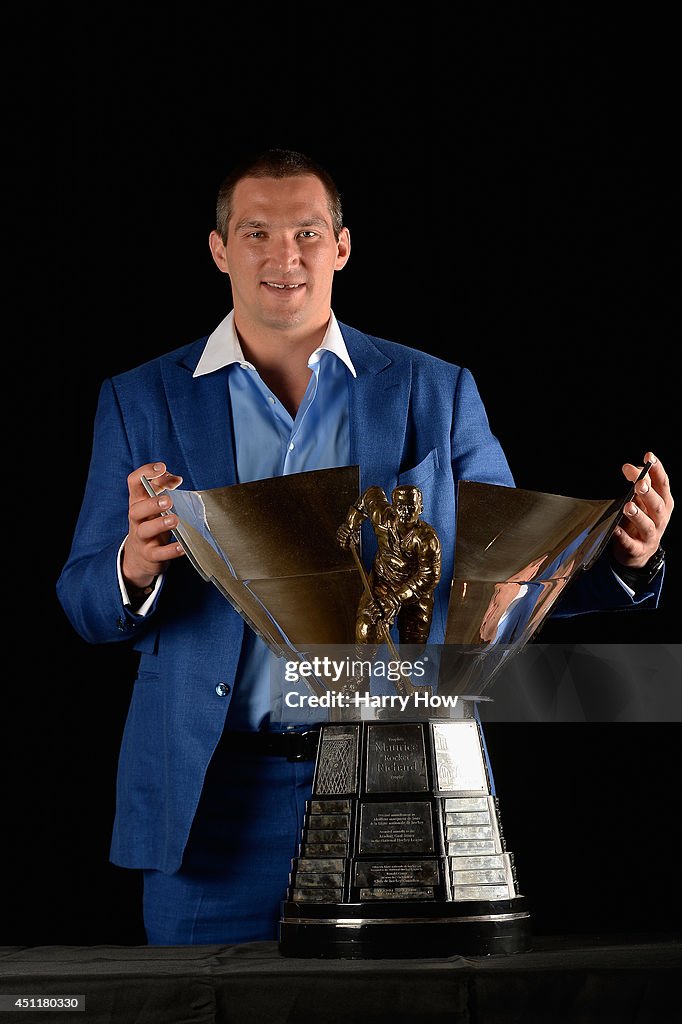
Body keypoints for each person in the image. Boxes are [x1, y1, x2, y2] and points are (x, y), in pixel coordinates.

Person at [56, 147, 673, 945]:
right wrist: (132, 568)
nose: (286, 257)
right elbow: (81, 600)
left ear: (341, 247)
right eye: (257, 234)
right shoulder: (140, 398)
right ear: (219, 250)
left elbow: (502, 579)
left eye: (308, 233)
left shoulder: (434, 389)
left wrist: (623, 558)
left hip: (400, 789)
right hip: (212, 808)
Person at [337, 484, 442, 644]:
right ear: (393, 507)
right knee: (366, 630)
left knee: (414, 646)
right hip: (383, 582)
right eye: (400, 506)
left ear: (420, 509)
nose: (405, 511)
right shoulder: (382, 517)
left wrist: (395, 600)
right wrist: (351, 528)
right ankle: (361, 668)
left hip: (415, 591)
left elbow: (429, 576)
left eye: (410, 506)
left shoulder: (427, 540)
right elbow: (369, 496)